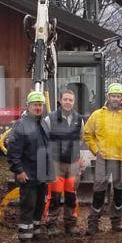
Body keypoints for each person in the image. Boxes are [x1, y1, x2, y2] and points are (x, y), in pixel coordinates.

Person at [83, 82, 122, 234]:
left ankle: (116, 222)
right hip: (103, 158)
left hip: (121, 158)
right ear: (108, 97)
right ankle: (93, 223)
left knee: (119, 190)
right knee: (99, 190)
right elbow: (87, 134)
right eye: (113, 96)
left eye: (119, 96)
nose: (115, 99)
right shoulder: (97, 115)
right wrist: (95, 150)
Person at [6, 91, 55, 243]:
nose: (38, 107)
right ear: (28, 106)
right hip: (28, 174)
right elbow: (13, 150)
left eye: (40, 105)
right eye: (35, 105)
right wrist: (18, 171)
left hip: (42, 174)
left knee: (40, 205)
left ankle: (36, 231)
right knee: (28, 205)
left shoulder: (43, 123)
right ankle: (25, 238)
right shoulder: (21, 125)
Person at [42, 88, 87, 235]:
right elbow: (44, 139)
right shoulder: (50, 118)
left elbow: (81, 138)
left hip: (73, 164)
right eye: (65, 99)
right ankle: (51, 224)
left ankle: (70, 224)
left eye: (71, 100)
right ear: (60, 100)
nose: (68, 102)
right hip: (56, 163)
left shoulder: (79, 119)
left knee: (71, 195)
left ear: (74, 102)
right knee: (54, 195)